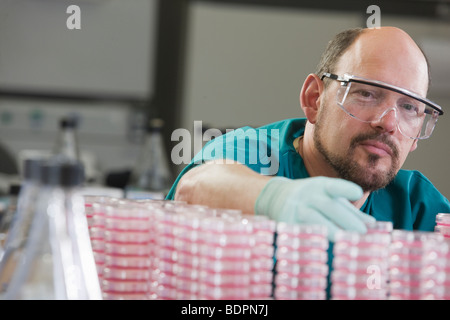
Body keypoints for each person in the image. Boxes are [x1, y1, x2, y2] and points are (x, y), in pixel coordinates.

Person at [166, 26, 450, 242]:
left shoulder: (416, 206)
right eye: (366, 93)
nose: (388, 123)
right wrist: (274, 198)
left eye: (410, 107)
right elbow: (195, 186)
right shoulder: (258, 153)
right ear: (315, 99)